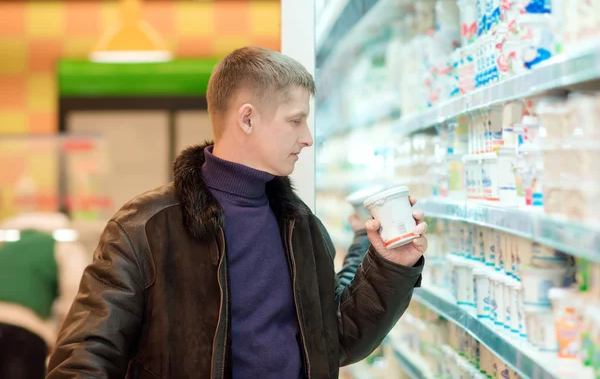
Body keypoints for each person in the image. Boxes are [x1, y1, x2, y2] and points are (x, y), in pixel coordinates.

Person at [47, 46, 428, 379]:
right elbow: (83, 357)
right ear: (247, 119)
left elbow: (335, 340)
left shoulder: (301, 226)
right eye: (296, 120)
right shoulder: (143, 228)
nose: (308, 137)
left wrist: (389, 264)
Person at [0, 212, 87, 379]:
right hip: (25, 331)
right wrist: (61, 343)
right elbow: (75, 297)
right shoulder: (62, 246)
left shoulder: (5, 248)